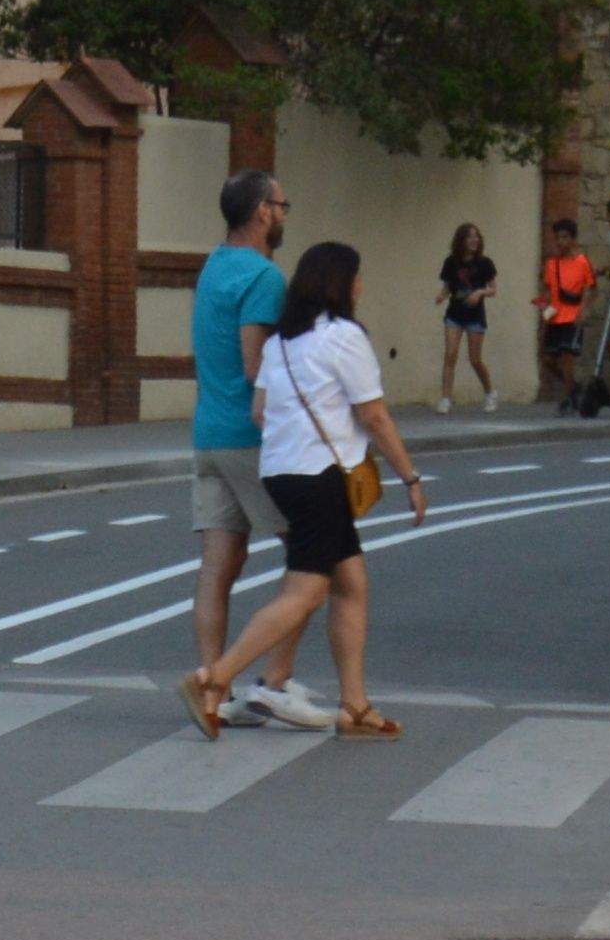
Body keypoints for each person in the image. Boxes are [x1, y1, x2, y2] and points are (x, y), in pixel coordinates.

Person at [183, 240, 426, 739]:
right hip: (321, 477)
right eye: (356, 277)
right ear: (341, 285)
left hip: (282, 472)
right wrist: (411, 477)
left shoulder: (280, 344)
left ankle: (355, 707)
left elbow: (259, 412)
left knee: (351, 583)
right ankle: (213, 681)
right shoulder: (344, 338)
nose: (361, 286)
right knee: (307, 591)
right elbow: (374, 415)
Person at [181, 167, 328, 728]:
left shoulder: (214, 264)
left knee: (219, 564)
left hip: (209, 435)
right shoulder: (264, 278)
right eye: (283, 206)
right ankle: (273, 682)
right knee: (311, 557)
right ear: (263, 211)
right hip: (253, 439)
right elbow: (255, 364)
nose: (285, 216)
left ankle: (211, 690)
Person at [535, 217, 597, 417]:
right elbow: (547, 290)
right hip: (554, 317)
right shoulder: (551, 264)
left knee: (567, 356)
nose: (561, 242)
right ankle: (573, 387)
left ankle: (568, 398)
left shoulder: (582, 262)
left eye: (565, 237)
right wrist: (543, 308)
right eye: (558, 238)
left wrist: (584, 309)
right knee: (548, 359)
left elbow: (589, 289)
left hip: (572, 316)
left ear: (572, 239)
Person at [437, 223, 499, 412]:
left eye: (476, 236)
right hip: (454, 314)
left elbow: (493, 290)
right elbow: (448, 286)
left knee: (474, 359)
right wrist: (442, 295)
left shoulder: (485, 263)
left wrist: (479, 292)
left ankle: (490, 392)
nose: (474, 240)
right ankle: (446, 398)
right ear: (461, 240)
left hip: (475, 316)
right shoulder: (451, 262)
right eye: (470, 237)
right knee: (450, 354)